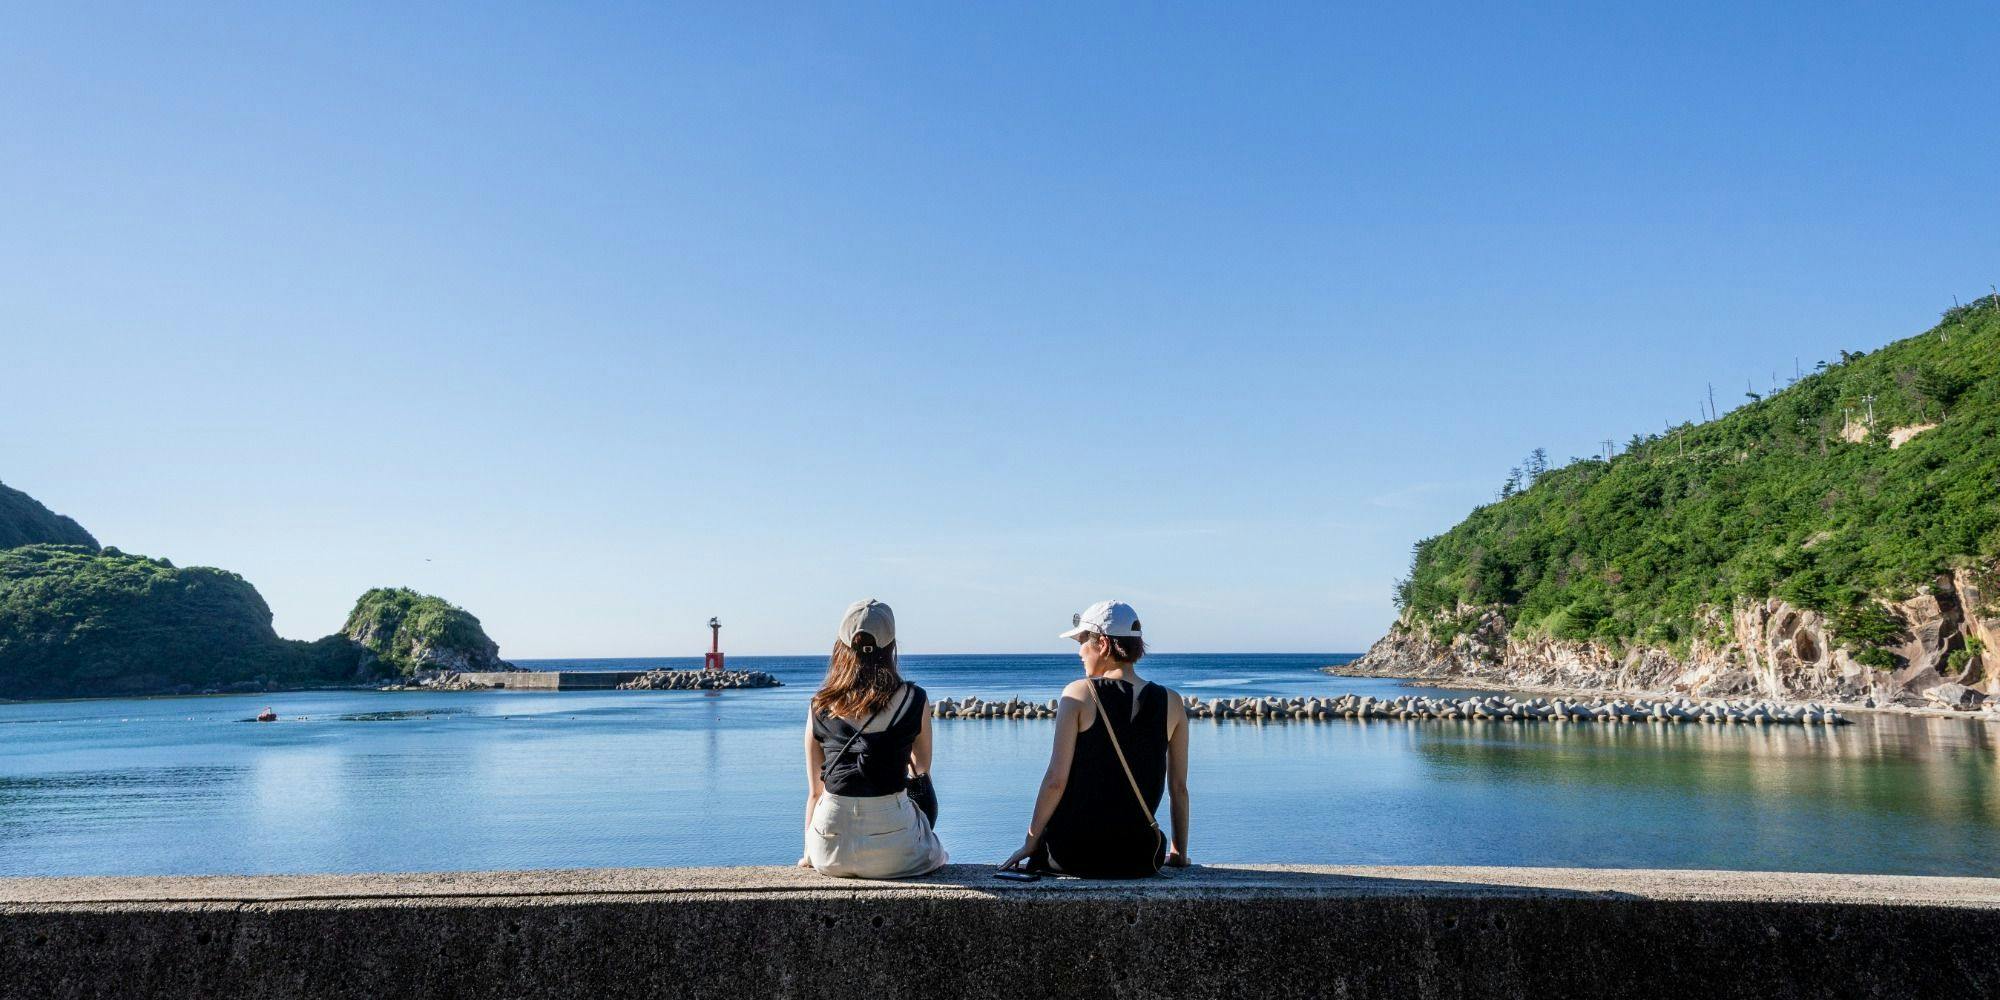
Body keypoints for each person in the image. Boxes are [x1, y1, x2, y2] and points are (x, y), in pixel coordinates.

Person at [1000, 600, 1191, 878]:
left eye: (1081, 641)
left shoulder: (1078, 694)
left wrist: (1030, 842)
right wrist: (1179, 854)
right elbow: (1179, 788)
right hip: (1140, 857)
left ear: (1102, 644)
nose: (1079, 652)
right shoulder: (1172, 702)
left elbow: (1055, 780)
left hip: (1074, 854)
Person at [798, 598, 947, 879]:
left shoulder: (819, 704)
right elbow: (922, 767)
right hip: (894, 847)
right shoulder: (914, 699)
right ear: (891, 646)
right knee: (938, 852)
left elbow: (816, 792)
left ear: (842, 647)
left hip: (830, 848)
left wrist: (809, 853)